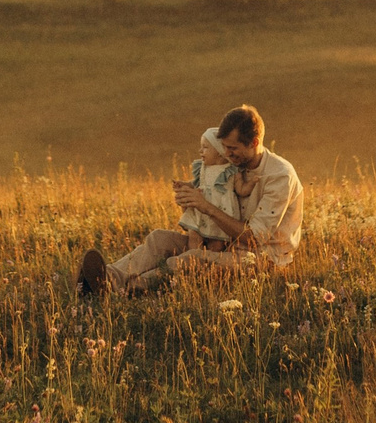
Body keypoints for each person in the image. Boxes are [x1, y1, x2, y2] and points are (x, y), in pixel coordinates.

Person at [79, 104, 302, 294]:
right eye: (223, 147)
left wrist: (206, 207)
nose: (227, 153)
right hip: (222, 245)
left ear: (254, 143)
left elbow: (254, 238)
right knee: (159, 239)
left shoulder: (279, 175)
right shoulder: (231, 167)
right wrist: (192, 202)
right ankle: (105, 278)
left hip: (261, 258)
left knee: (189, 259)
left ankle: (127, 290)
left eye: (233, 148)